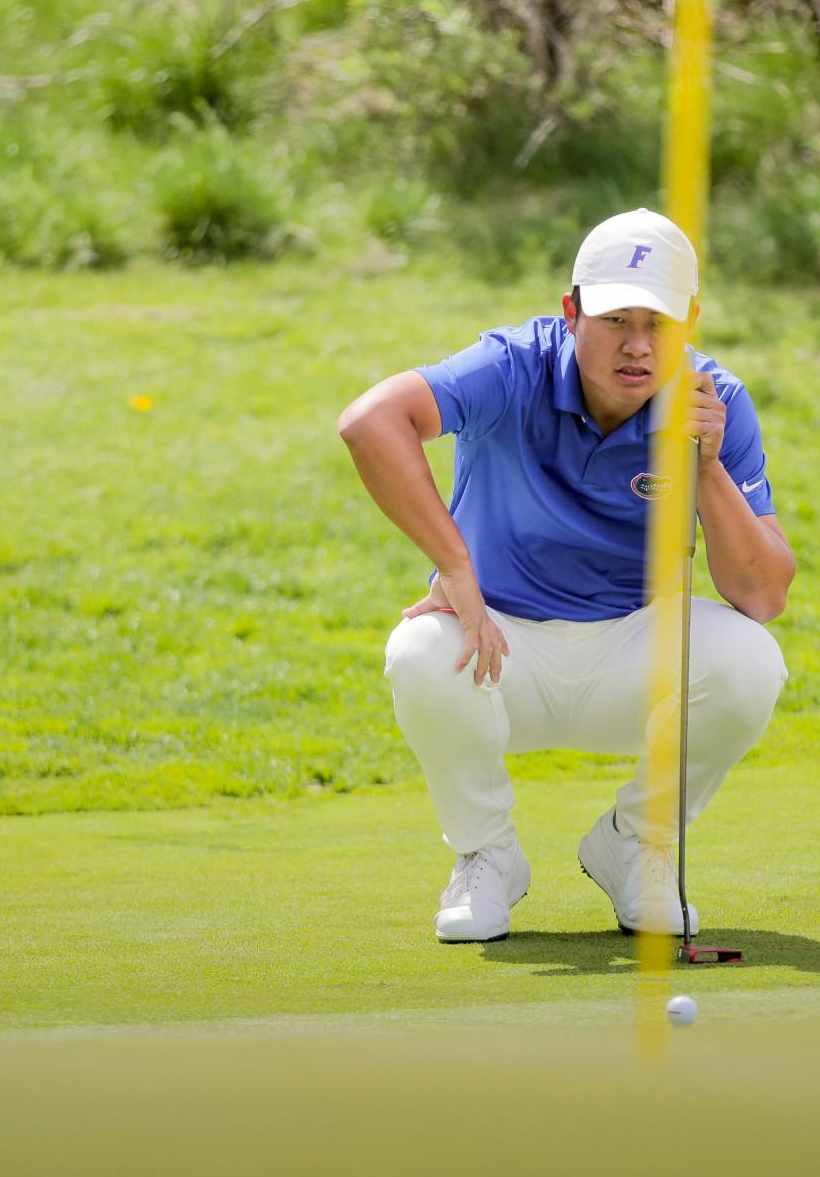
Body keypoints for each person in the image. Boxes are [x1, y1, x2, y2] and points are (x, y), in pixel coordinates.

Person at [337, 208, 794, 943]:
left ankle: (636, 845)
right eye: (615, 320)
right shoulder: (513, 365)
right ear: (571, 310)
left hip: (631, 653)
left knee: (751, 661)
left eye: (660, 324)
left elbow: (763, 596)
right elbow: (369, 422)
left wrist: (706, 467)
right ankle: (486, 854)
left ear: (692, 320)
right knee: (418, 652)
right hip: (500, 649)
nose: (639, 346)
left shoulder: (717, 399)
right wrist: (456, 567)